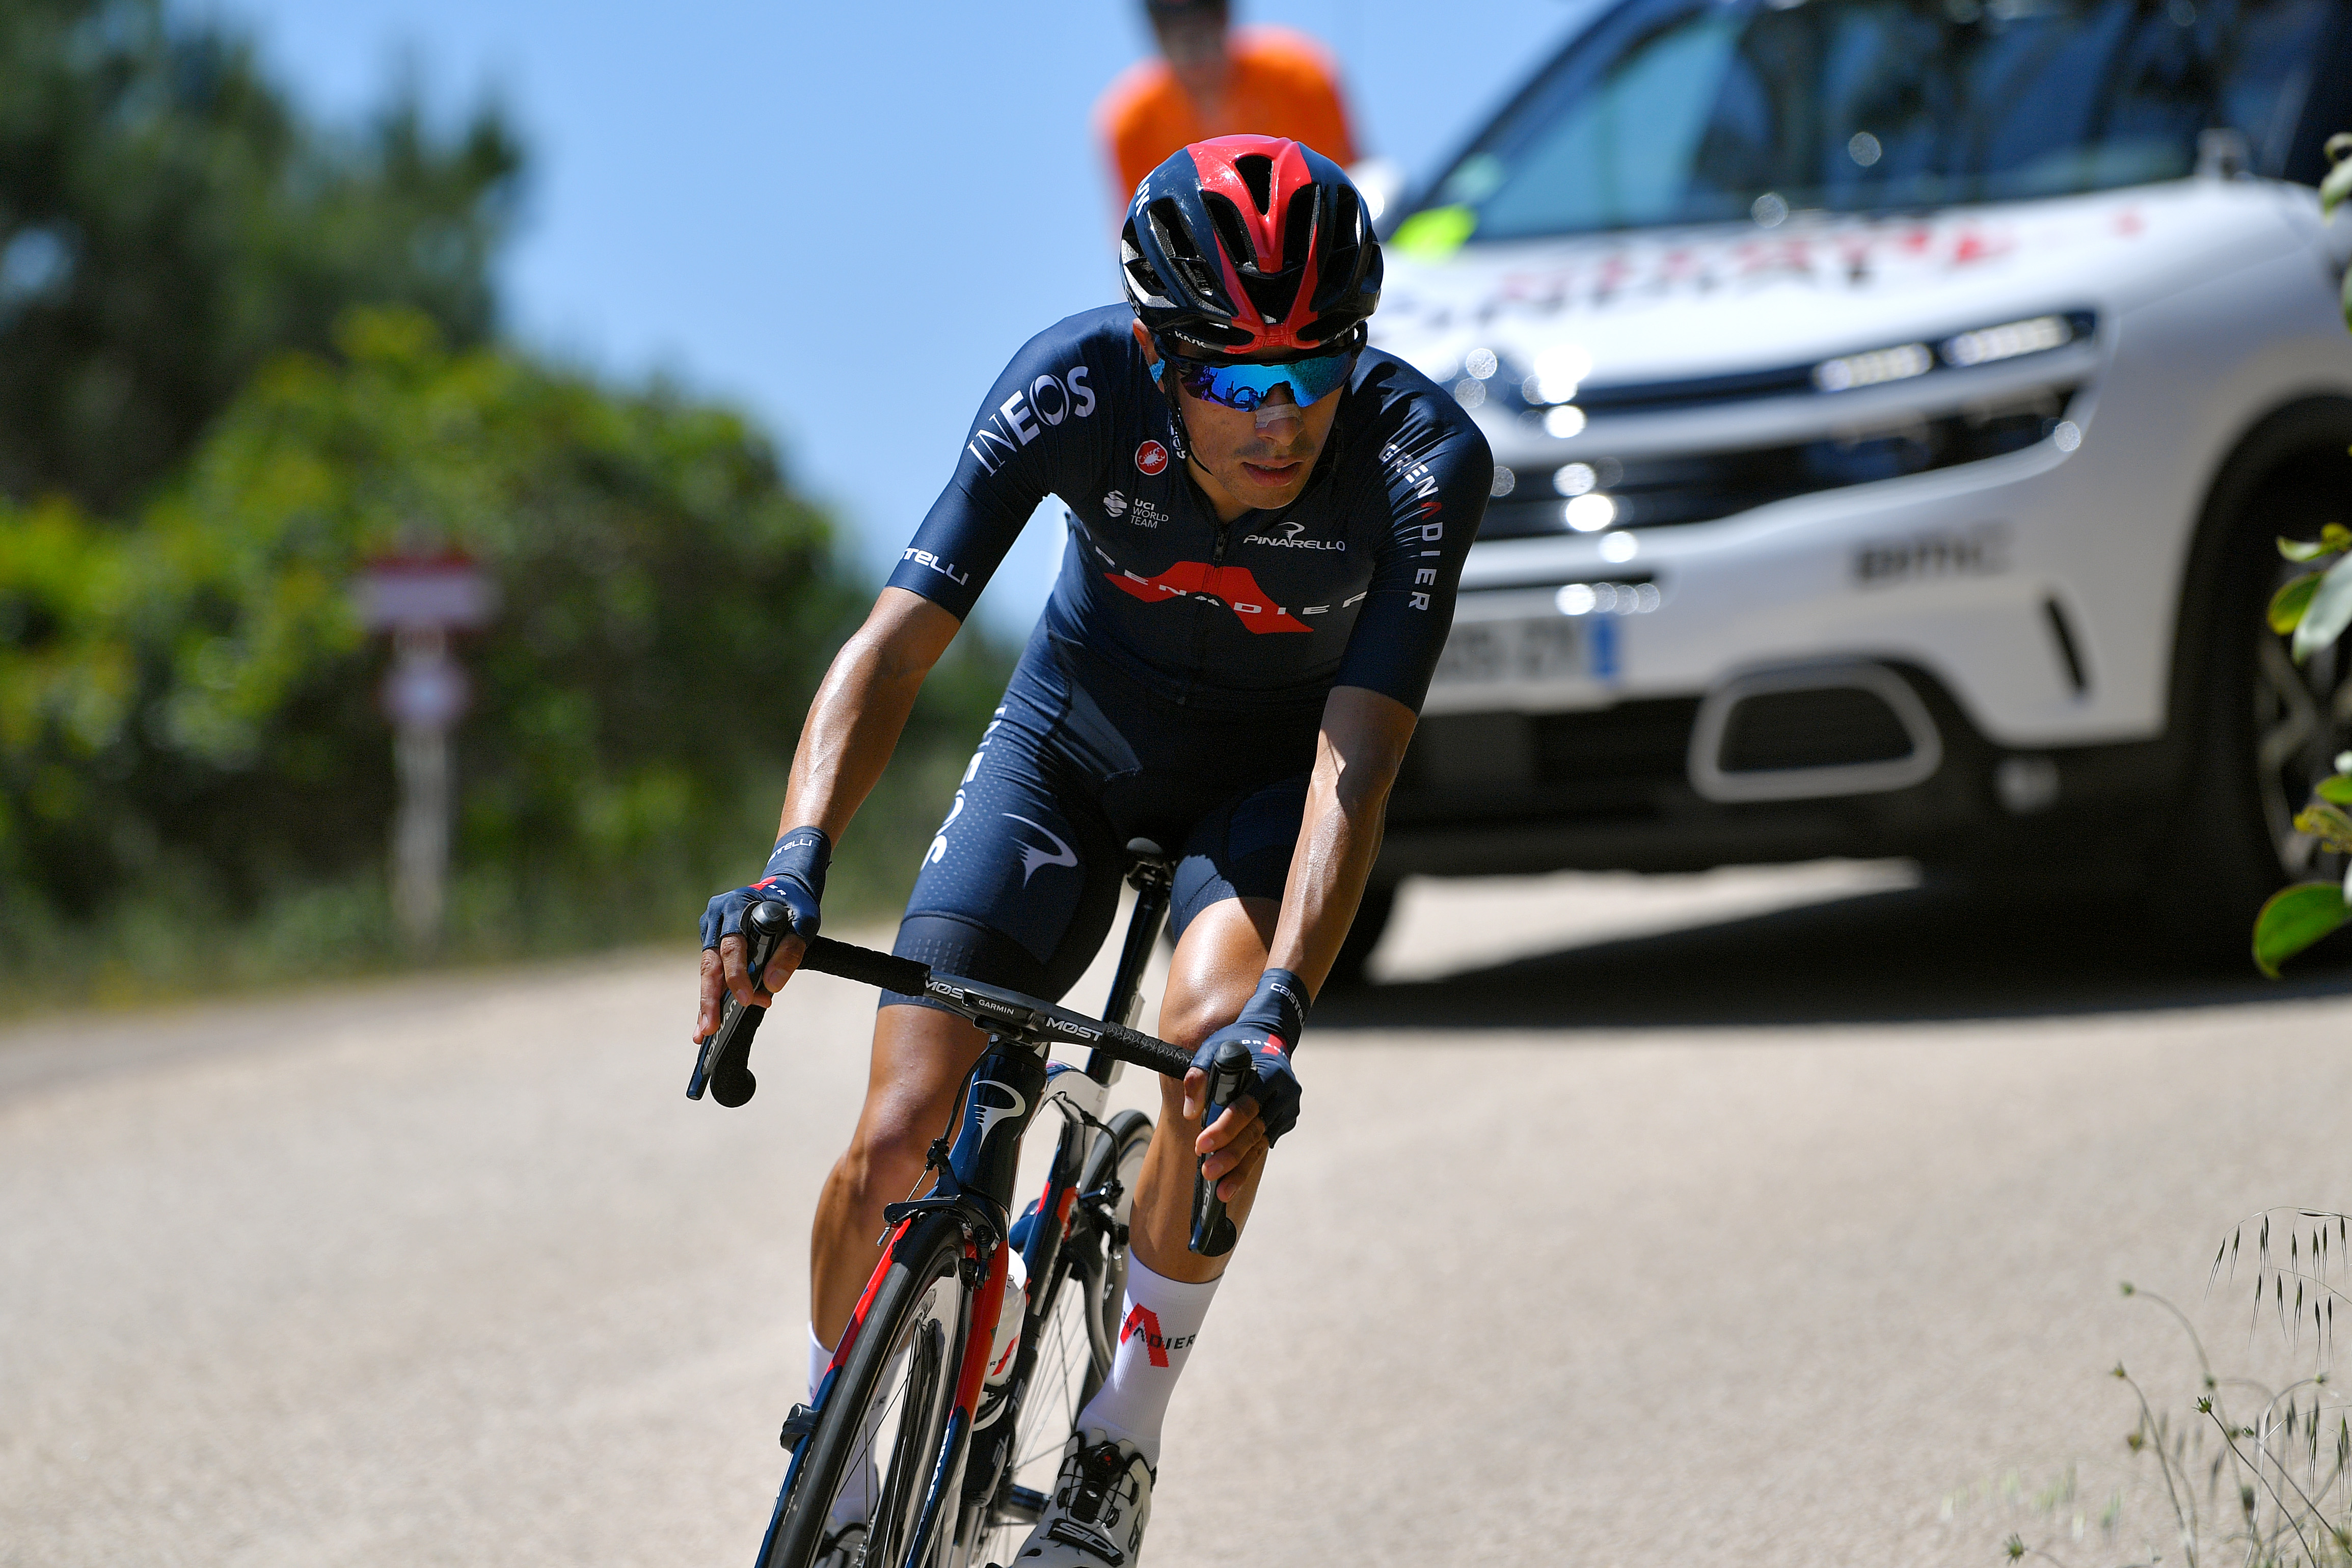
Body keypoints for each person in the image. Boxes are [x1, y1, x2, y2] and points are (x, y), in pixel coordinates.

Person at [696, 134, 1488, 1567]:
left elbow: (1356, 759)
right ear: (1157, 353)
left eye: (1315, 372)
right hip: (1071, 745)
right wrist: (795, 863)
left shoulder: (1424, 458)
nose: (1281, 419)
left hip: (1265, 783)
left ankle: (1122, 1429)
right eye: (1239, 381)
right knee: (895, 1138)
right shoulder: (1067, 383)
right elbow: (893, 646)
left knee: (1209, 1045)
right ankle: (840, 1436)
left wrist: (1281, 1007)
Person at [1097, 0, 1359, 203]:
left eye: (1202, 20)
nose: (1189, 43)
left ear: (1225, 16)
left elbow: (1353, 186)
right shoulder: (1133, 126)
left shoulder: (1300, 79)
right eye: (1170, 26)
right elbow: (1143, 237)